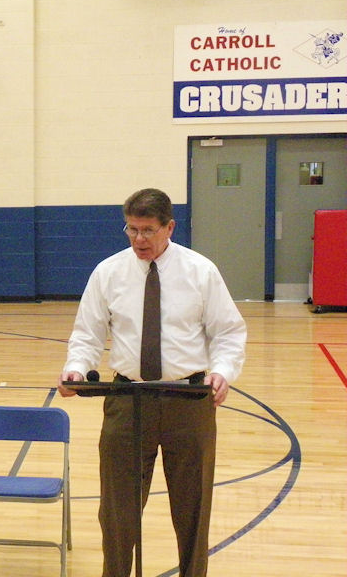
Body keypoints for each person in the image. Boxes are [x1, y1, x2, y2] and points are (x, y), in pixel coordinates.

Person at [58, 188, 247, 577]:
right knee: (117, 511)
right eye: (131, 229)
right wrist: (76, 368)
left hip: (188, 400)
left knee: (192, 508)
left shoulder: (200, 271)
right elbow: (87, 335)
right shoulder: (108, 272)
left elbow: (228, 332)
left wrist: (222, 371)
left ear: (169, 227)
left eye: (148, 230)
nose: (138, 239)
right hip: (127, 400)